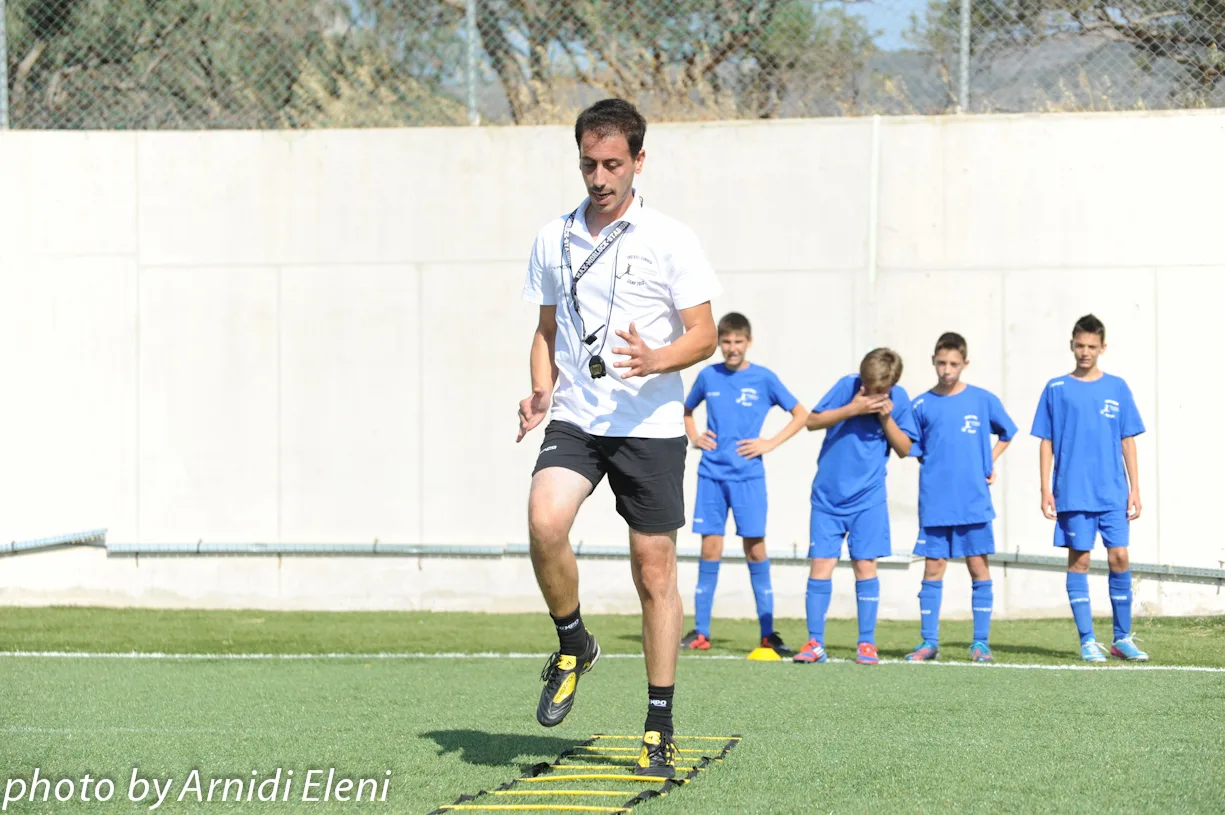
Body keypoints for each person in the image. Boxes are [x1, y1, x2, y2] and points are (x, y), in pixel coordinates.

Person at [516, 98, 721, 777]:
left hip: (649, 425)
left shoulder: (670, 238)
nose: (599, 178)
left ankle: (658, 725)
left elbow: (704, 333)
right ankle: (573, 642)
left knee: (652, 570)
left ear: (638, 160)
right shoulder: (553, 237)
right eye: (588, 165)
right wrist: (541, 389)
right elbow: (546, 330)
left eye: (611, 164)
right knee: (545, 520)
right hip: (577, 417)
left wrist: (659, 359)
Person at [679, 311, 808, 655]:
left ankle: (768, 633)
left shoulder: (764, 379)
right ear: (719, 343)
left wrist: (769, 443)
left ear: (749, 342)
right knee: (710, 549)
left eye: (738, 341)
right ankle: (701, 631)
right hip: (711, 475)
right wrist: (695, 437)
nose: (732, 348)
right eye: (726, 341)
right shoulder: (708, 375)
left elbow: (801, 414)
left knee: (755, 548)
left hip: (749, 477)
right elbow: (686, 410)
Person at [1031, 314, 1147, 662]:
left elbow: (1127, 440)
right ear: (1072, 345)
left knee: (1119, 556)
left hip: (1112, 491)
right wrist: (1045, 489)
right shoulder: (1056, 388)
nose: (1085, 352)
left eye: (1092, 346)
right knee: (1079, 560)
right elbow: (1046, 441)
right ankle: (1087, 641)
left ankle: (1122, 638)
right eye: (1080, 345)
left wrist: (1135, 489)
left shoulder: (1118, 387)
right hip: (1073, 491)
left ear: (1102, 348)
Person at [794, 348, 919, 666]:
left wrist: (885, 417)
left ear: (890, 386)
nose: (869, 391)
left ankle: (866, 643)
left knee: (865, 566)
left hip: (868, 499)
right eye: (866, 384)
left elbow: (905, 449)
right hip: (827, 497)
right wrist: (853, 408)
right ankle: (815, 643)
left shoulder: (900, 398)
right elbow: (812, 422)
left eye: (877, 389)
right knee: (821, 565)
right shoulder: (847, 386)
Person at [904, 332, 1016, 664]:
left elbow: (1007, 432)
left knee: (978, 566)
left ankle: (980, 643)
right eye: (941, 363)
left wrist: (988, 461)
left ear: (965, 363)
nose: (947, 370)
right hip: (936, 502)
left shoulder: (982, 400)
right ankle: (929, 642)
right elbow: (913, 447)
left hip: (972, 501)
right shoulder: (920, 405)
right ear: (933, 362)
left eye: (954, 364)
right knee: (933, 567)